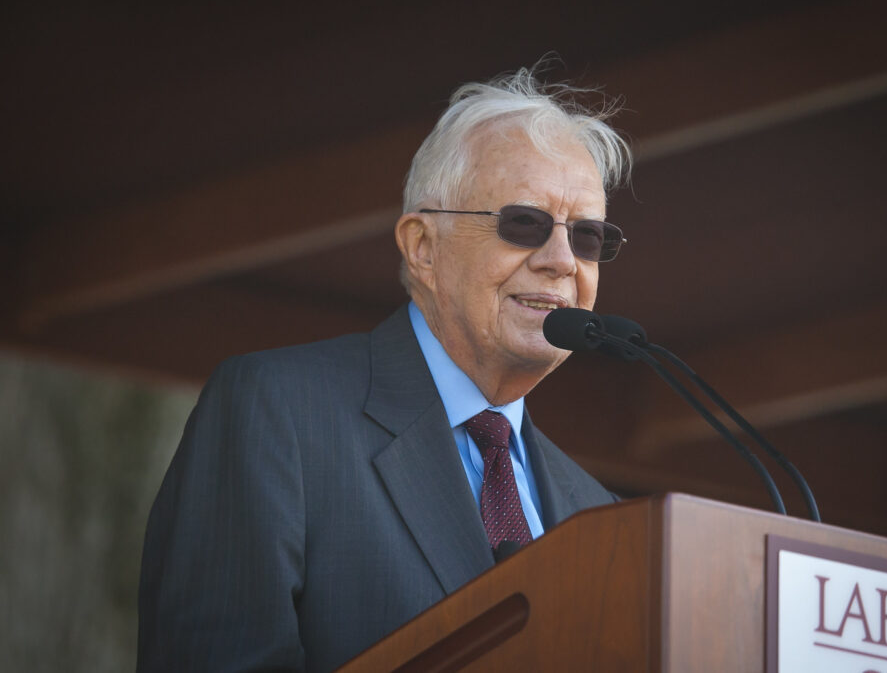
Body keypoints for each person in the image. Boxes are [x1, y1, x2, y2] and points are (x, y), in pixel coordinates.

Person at [137, 66, 632, 672]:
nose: (561, 261)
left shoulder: (601, 513)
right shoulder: (278, 413)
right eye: (524, 223)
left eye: (586, 237)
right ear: (423, 246)